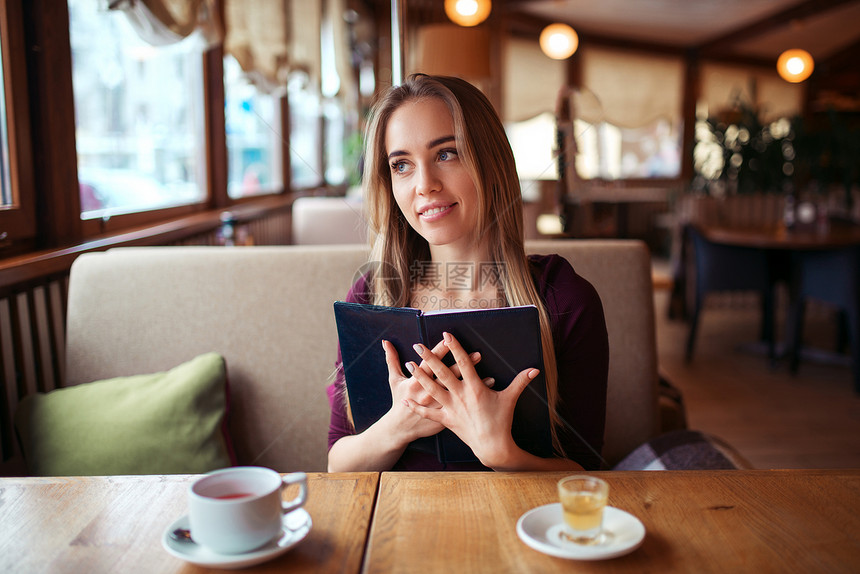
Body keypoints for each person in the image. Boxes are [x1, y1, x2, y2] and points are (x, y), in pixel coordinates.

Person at [327, 74, 608, 472]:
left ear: (490, 161)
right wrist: (399, 425)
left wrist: (500, 452)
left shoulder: (564, 299)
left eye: (446, 154)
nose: (424, 185)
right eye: (402, 165)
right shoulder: (370, 296)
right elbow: (338, 463)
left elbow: (590, 474)